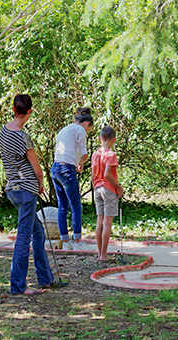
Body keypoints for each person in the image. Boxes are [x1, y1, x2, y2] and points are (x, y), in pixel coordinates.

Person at [0, 94, 54, 295]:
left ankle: (46, 278)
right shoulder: (23, 137)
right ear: (29, 111)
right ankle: (18, 287)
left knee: (37, 232)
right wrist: (40, 185)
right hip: (26, 190)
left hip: (12, 189)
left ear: (13, 109)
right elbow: (37, 170)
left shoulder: (4, 132)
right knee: (24, 238)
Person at [51, 107, 94, 251]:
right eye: (89, 129)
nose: (87, 132)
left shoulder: (64, 129)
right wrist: (80, 163)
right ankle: (78, 242)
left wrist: (76, 163)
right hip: (67, 170)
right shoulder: (80, 130)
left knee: (62, 207)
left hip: (56, 168)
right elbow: (84, 154)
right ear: (87, 123)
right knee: (76, 206)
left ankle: (66, 241)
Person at [91, 126, 123, 262]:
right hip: (108, 189)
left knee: (100, 222)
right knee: (107, 223)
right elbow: (107, 175)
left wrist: (94, 188)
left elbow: (93, 175)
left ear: (100, 138)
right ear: (114, 140)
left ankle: (100, 254)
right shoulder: (111, 155)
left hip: (97, 188)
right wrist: (119, 187)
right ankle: (103, 255)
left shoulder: (95, 154)